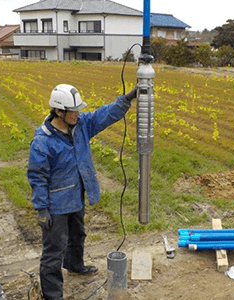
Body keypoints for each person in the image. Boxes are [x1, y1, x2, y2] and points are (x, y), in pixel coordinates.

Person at [27, 83, 137, 300]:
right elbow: (37, 177)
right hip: (56, 205)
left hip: (76, 196)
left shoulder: (81, 125)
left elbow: (104, 115)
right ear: (59, 111)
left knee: (77, 235)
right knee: (53, 251)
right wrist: (41, 209)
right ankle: (52, 295)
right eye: (73, 110)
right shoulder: (43, 142)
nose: (78, 113)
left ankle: (75, 266)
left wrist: (127, 98)